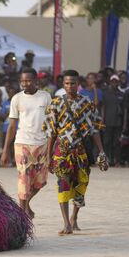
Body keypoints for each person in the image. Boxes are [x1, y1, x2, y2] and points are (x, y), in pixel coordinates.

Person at [43, 70, 108, 235]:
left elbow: (94, 130)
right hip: (62, 151)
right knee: (63, 184)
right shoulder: (55, 103)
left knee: (81, 184)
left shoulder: (87, 103)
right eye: (66, 83)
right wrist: (48, 155)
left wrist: (101, 152)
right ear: (63, 84)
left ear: (78, 84)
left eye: (73, 83)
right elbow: (52, 132)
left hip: (80, 151)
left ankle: (74, 217)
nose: (70, 86)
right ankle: (66, 223)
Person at [1, 67, 52, 219]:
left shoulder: (46, 97)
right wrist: (5, 150)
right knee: (24, 177)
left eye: (28, 80)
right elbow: (11, 126)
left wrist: (50, 150)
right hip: (22, 142)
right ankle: (21, 213)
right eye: (22, 81)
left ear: (36, 81)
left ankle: (26, 203)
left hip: (42, 144)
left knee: (40, 181)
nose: (25, 83)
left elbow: (51, 124)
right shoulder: (17, 98)